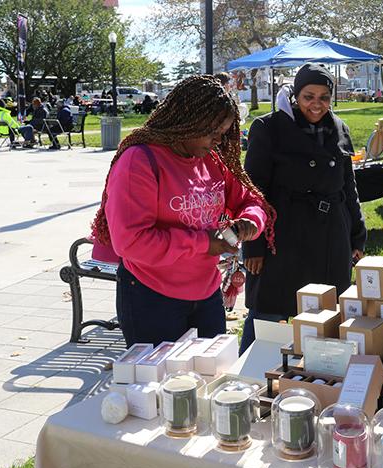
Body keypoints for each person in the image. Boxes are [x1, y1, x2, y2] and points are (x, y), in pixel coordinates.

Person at [90, 75, 275, 347]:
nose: (218, 141)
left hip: (207, 293)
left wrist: (250, 222)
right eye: (212, 133)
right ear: (188, 122)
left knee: (209, 380)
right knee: (160, 387)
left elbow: (252, 200)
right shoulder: (139, 160)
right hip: (151, 296)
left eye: (222, 134)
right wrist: (204, 243)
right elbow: (130, 241)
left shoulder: (211, 159)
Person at [240, 63, 366, 354]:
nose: (316, 104)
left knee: (328, 313)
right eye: (309, 96)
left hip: (331, 234)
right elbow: (253, 190)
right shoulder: (268, 127)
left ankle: (323, 374)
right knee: (269, 311)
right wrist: (253, 246)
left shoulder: (339, 128)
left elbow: (349, 187)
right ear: (296, 95)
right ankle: (248, 374)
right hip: (282, 235)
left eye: (324, 97)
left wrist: (357, 236)